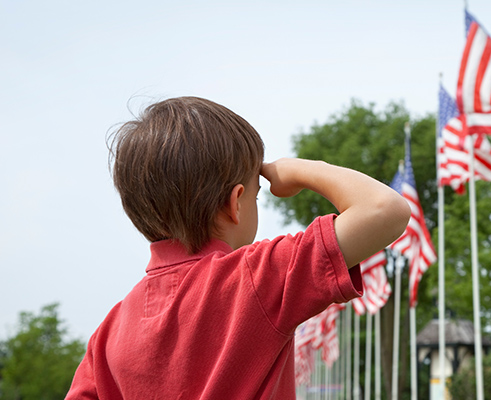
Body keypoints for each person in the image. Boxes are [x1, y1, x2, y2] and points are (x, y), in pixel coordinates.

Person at [66, 96, 411, 399]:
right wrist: (304, 169)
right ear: (237, 203)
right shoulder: (255, 276)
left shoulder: (107, 333)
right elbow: (385, 209)